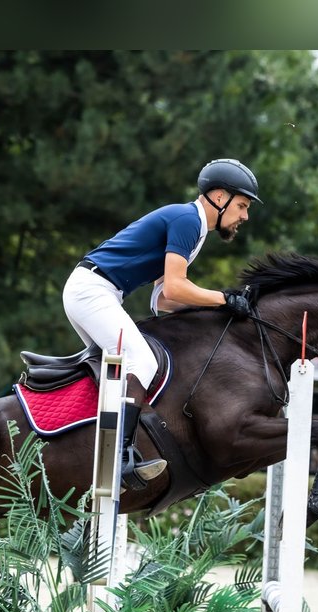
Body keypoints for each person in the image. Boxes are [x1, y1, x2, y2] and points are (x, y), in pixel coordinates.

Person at [62, 158, 261, 490]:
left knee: (115, 371)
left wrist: (219, 307)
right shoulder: (187, 220)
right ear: (219, 197)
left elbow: (162, 300)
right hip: (92, 291)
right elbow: (174, 287)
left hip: (95, 291)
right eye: (241, 205)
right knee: (142, 361)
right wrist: (224, 299)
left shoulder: (194, 228)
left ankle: (85, 444)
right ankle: (122, 458)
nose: (245, 215)